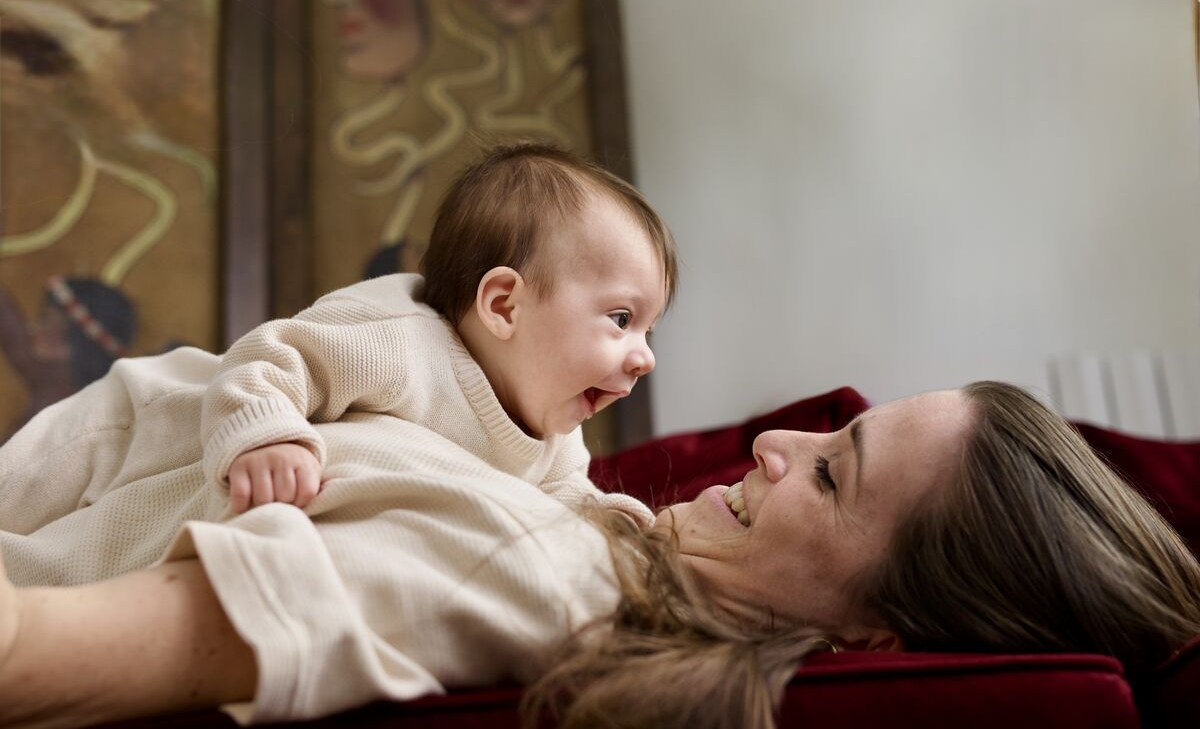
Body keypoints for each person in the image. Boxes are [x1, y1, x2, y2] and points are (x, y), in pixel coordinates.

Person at [0, 380, 1197, 728]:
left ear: (879, 635)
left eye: (833, 471)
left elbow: (32, 653)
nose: (777, 440)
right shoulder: (588, 521)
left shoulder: (532, 572)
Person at [0, 142, 673, 587]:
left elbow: (563, 499)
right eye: (621, 318)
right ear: (503, 304)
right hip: (136, 425)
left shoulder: (554, 434)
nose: (643, 358)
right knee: (18, 490)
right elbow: (271, 359)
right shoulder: (398, 335)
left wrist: (612, 524)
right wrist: (269, 431)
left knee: (62, 569)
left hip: (170, 495)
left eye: (648, 328)